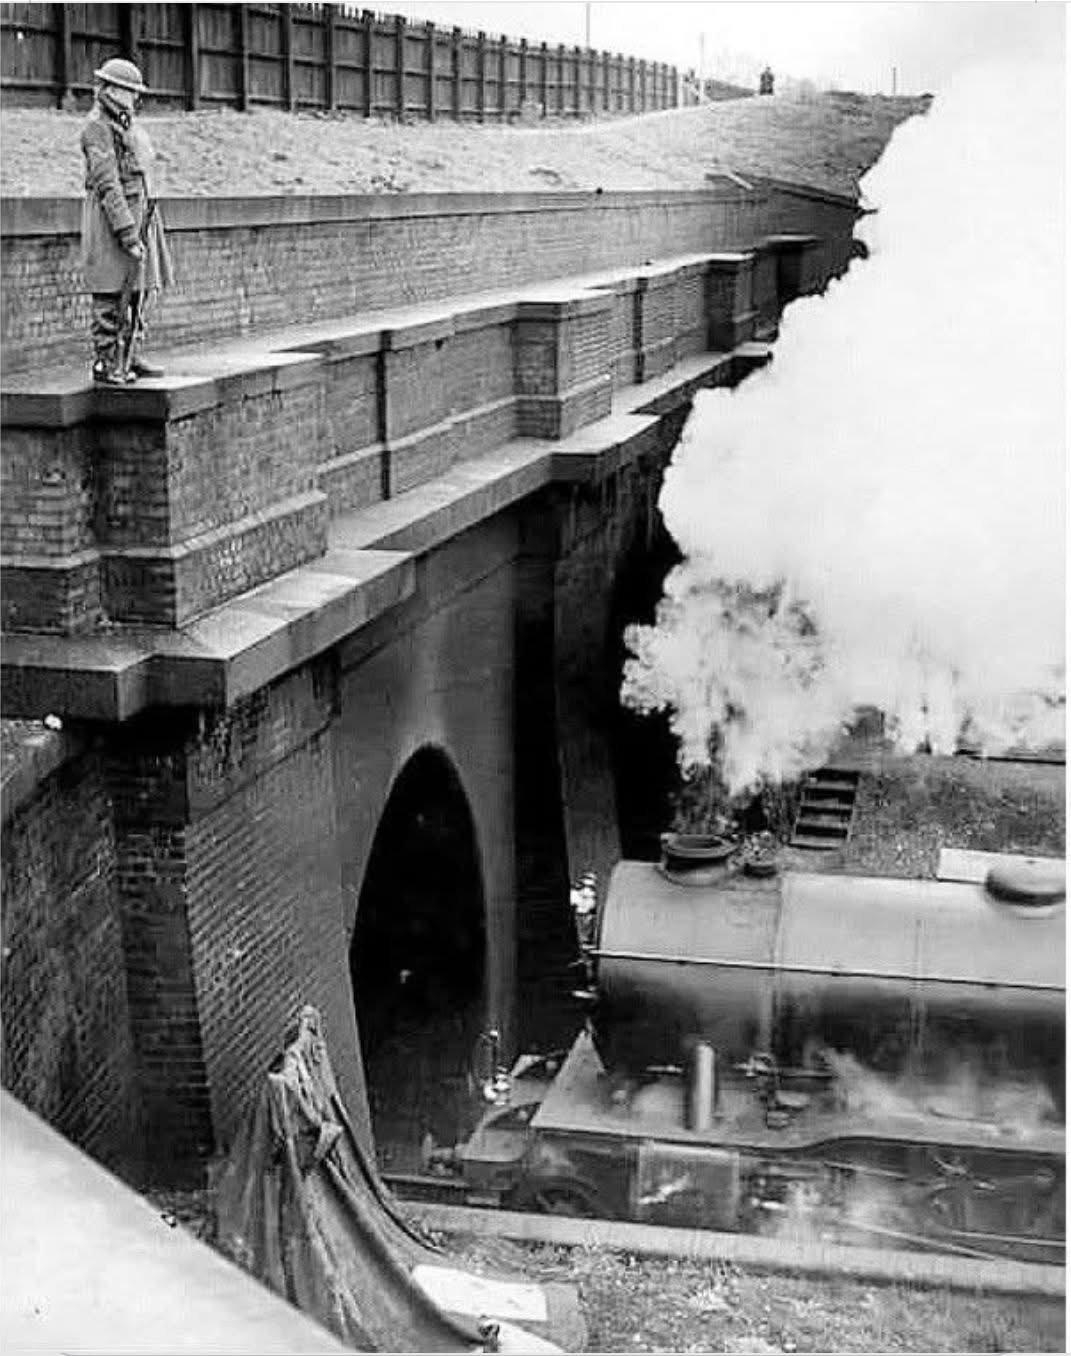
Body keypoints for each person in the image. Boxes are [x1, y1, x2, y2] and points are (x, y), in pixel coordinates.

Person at [80, 57, 172, 384]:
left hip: (140, 215)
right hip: (112, 225)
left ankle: (129, 355)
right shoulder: (97, 128)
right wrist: (127, 234)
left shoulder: (127, 127)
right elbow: (108, 185)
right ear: (113, 90)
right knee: (110, 294)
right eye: (130, 92)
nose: (135, 99)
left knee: (138, 292)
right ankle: (106, 361)